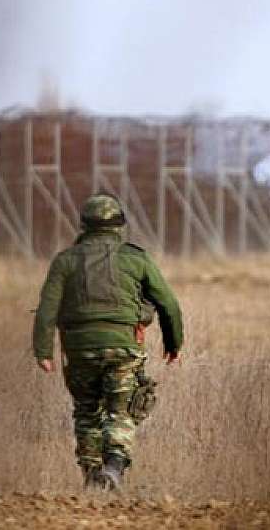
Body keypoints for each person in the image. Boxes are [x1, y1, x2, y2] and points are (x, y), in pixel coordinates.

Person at [32, 193, 183, 491]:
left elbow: (47, 307)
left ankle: (91, 478)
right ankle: (113, 467)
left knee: (86, 411)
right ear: (120, 225)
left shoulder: (65, 261)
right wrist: (173, 343)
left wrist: (43, 350)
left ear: (84, 225)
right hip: (123, 348)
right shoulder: (135, 258)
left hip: (79, 349)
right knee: (122, 409)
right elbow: (168, 303)